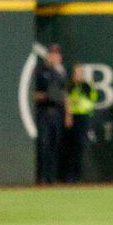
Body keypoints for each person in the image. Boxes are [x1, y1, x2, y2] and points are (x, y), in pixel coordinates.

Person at [29, 42, 69, 185]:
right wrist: (47, 96)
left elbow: (65, 95)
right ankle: (41, 177)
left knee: (54, 146)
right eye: (52, 53)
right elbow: (32, 94)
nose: (55, 56)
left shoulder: (61, 73)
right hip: (44, 112)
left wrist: (67, 114)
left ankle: (51, 178)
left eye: (57, 54)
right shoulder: (41, 71)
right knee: (43, 145)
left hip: (57, 113)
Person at [63, 65, 99, 182]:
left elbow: (92, 100)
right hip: (72, 118)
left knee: (80, 147)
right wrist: (68, 115)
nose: (78, 75)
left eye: (80, 73)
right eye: (76, 73)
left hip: (83, 117)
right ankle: (69, 176)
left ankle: (78, 176)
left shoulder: (87, 86)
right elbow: (67, 101)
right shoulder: (70, 86)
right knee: (70, 147)